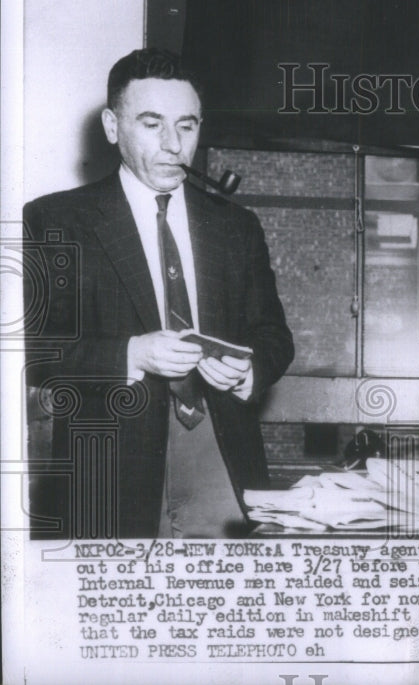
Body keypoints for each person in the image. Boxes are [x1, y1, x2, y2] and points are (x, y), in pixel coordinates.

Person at [24, 48, 294, 538]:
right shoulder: (56, 219)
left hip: (223, 454)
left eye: (186, 126)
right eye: (152, 124)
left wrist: (249, 370)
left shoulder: (236, 227)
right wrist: (133, 353)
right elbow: (39, 348)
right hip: (108, 464)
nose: (173, 144)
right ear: (112, 127)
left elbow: (273, 334)